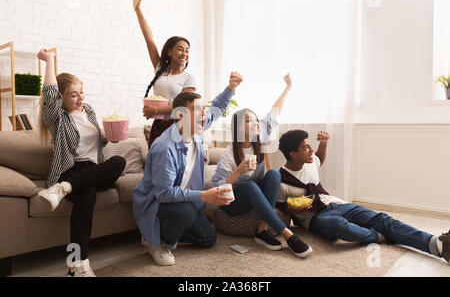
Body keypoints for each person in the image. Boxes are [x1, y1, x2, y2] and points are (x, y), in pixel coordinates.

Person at [276, 129, 450, 263]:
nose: (311, 149)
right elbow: (283, 210)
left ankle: (437, 244)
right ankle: (380, 236)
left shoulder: (310, 160)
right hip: (314, 217)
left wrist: (324, 143)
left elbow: (319, 159)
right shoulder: (280, 180)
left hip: (335, 203)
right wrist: (297, 208)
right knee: (340, 225)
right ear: (293, 154)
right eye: (306, 147)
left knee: (382, 218)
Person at [133, 72, 244, 266]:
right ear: (181, 115)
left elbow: (216, 109)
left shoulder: (195, 130)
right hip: (158, 203)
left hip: (181, 202)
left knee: (208, 239)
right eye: (198, 110)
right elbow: (164, 193)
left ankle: (161, 230)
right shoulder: (164, 148)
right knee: (187, 212)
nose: (204, 114)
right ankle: (156, 242)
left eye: (203, 109)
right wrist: (203, 195)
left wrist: (231, 88)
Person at [36, 49, 126, 277]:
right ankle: (77, 264)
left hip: (94, 169)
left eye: (81, 92)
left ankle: (63, 189)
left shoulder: (89, 111)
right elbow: (49, 93)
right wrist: (49, 61)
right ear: (62, 98)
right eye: (73, 95)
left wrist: (104, 138)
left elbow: (93, 145)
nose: (80, 98)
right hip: (71, 170)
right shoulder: (57, 118)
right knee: (87, 195)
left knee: (119, 161)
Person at [211, 74, 312, 258]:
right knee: (249, 186)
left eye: (256, 119)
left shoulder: (259, 138)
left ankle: (262, 228)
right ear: (238, 128)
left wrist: (288, 86)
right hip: (232, 204)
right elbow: (218, 188)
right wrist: (238, 171)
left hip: (254, 195)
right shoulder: (229, 155)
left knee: (274, 174)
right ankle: (288, 235)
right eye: (249, 120)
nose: (256, 123)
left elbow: (276, 110)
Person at [133, 0, 197, 149]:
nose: (184, 53)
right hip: (159, 125)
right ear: (170, 51)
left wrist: (155, 110)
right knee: (155, 164)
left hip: (178, 126)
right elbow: (149, 40)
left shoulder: (188, 78)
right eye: (180, 49)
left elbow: (184, 107)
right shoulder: (160, 68)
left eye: (187, 50)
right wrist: (138, 11)